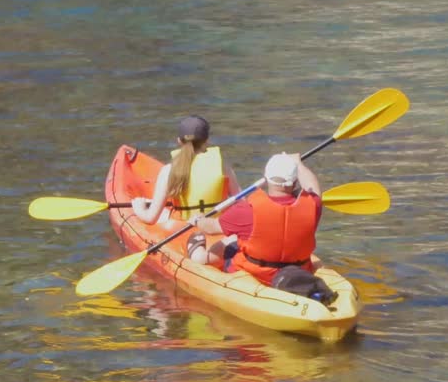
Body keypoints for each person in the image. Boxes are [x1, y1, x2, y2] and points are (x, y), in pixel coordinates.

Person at [187, 152, 322, 285]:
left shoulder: (247, 209)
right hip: (298, 272)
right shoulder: (313, 205)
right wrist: (298, 163)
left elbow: (211, 228)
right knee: (235, 239)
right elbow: (313, 187)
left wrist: (198, 220)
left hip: (256, 275)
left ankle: (200, 257)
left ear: (266, 178)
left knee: (230, 241)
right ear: (295, 181)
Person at [131, 114, 238, 262]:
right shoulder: (222, 165)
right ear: (207, 140)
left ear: (179, 141)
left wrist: (138, 208)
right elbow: (241, 203)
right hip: (218, 227)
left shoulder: (169, 170)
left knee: (165, 219)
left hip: (184, 230)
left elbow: (151, 218)